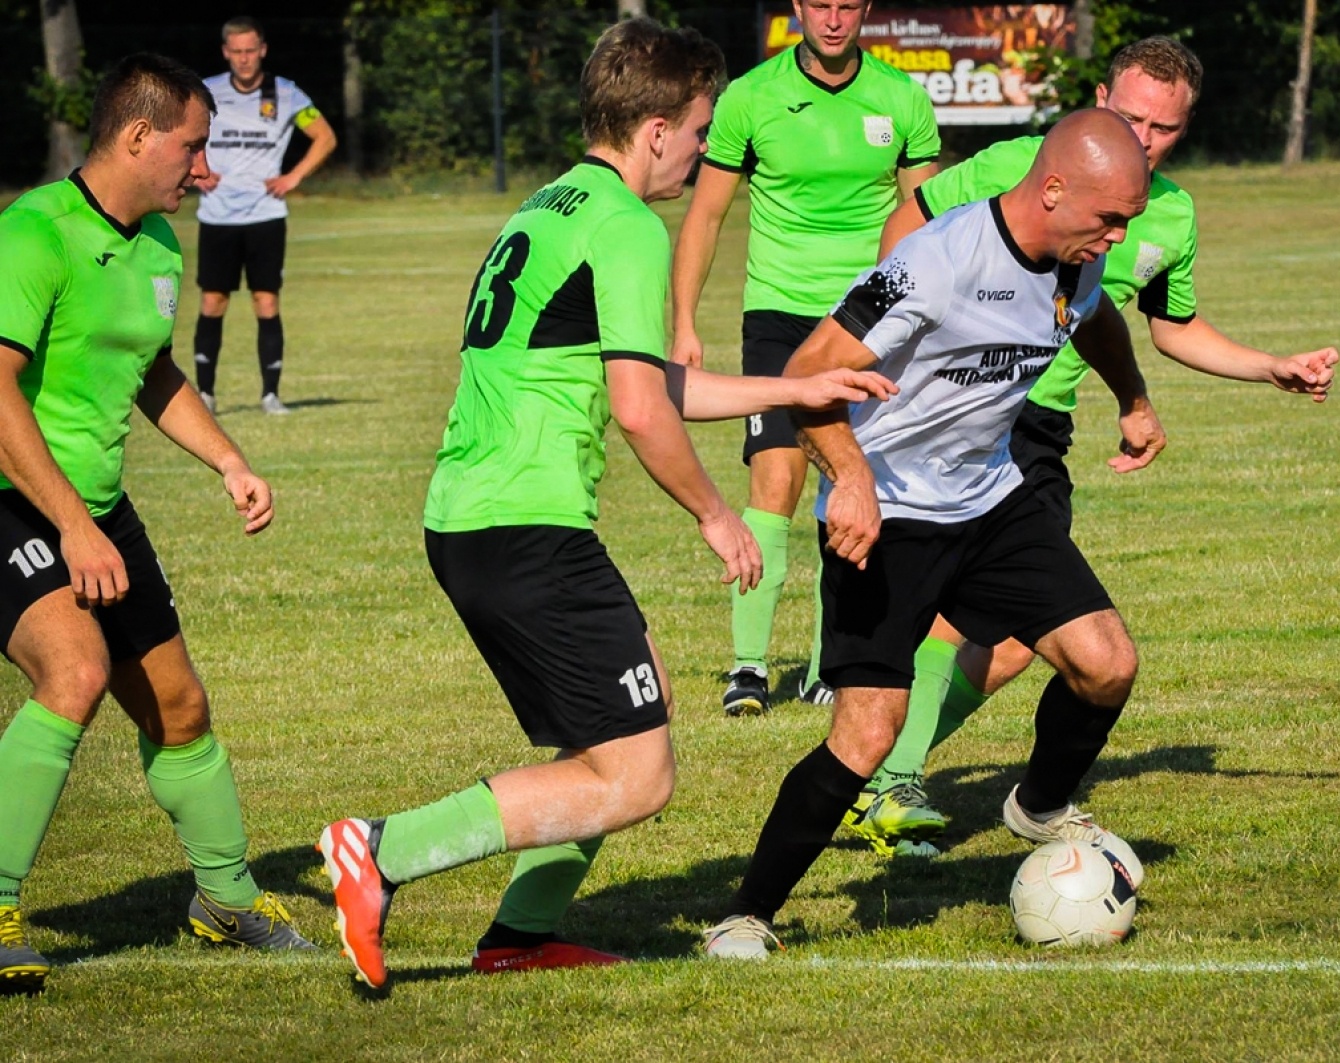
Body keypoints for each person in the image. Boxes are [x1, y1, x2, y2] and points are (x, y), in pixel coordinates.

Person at [316, 19, 895, 990]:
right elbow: (639, 408)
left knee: (636, 710)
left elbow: (656, 382)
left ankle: (522, 934)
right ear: (657, 128)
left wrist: (789, 393)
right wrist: (717, 515)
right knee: (638, 775)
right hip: (524, 526)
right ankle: (381, 851)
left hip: (475, 519)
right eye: (702, 130)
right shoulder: (626, 224)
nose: (708, 150)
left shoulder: (547, 206)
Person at [844, 36, 1340, 857]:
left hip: (1039, 425)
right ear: (1101, 95)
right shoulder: (1027, 161)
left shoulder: (1169, 214)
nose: (1143, 138)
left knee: (1002, 632)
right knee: (1007, 621)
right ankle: (888, 779)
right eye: (1131, 115)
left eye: (1165, 128)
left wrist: (1266, 367)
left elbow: (1169, 326)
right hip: (966, 411)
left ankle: (885, 775)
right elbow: (914, 221)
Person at [703, 109, 1158, 958]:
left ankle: (1040, 805)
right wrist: (854, 477)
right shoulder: (933, 264)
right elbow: (804, 374)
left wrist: (1132, 398)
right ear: (1052, 189)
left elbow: (1095, 319)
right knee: (868, 732)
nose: (1118, 235)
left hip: (990, 500)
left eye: (1127, 219)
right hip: (889, 514)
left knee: (1107, 662)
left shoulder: (1076, 257)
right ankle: (747, 913)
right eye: (1109, 217)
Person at [0, 53, 313, 995]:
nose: (204, 169)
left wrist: (229, 460)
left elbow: (155, 375)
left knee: (180, 708)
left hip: (94, 506)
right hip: (16, 495)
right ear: (138, 138)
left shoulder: (161, 246)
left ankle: (222, 898)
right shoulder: (33, 232)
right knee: (78, 669)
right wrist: (72, 528)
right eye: (193, 146)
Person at [671, 0, 941, 716]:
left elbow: (925, 221)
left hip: (866, 322)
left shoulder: (902, 100)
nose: (832, 19)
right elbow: (706, 214)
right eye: (818, 4)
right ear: (796, 8)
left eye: (846, 5)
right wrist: (684, 322)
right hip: (779, 318)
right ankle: (749, 668)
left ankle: (830, 662)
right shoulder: (751, 100)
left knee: (852, 484)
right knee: (776, 480)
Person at [191, 16, 337, 415]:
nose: (243, 58)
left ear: (263, 50)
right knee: (213, 301)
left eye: (250, 50)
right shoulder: (206, 92)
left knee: (266, 302)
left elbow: (325, 137)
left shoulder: (287, 95)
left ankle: (271, 396)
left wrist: (293, 177)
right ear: (225, 52)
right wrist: (195, 170)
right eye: (236, 51)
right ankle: (206, 395)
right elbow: (181, 135)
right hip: (218, 217)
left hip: (266, 216)